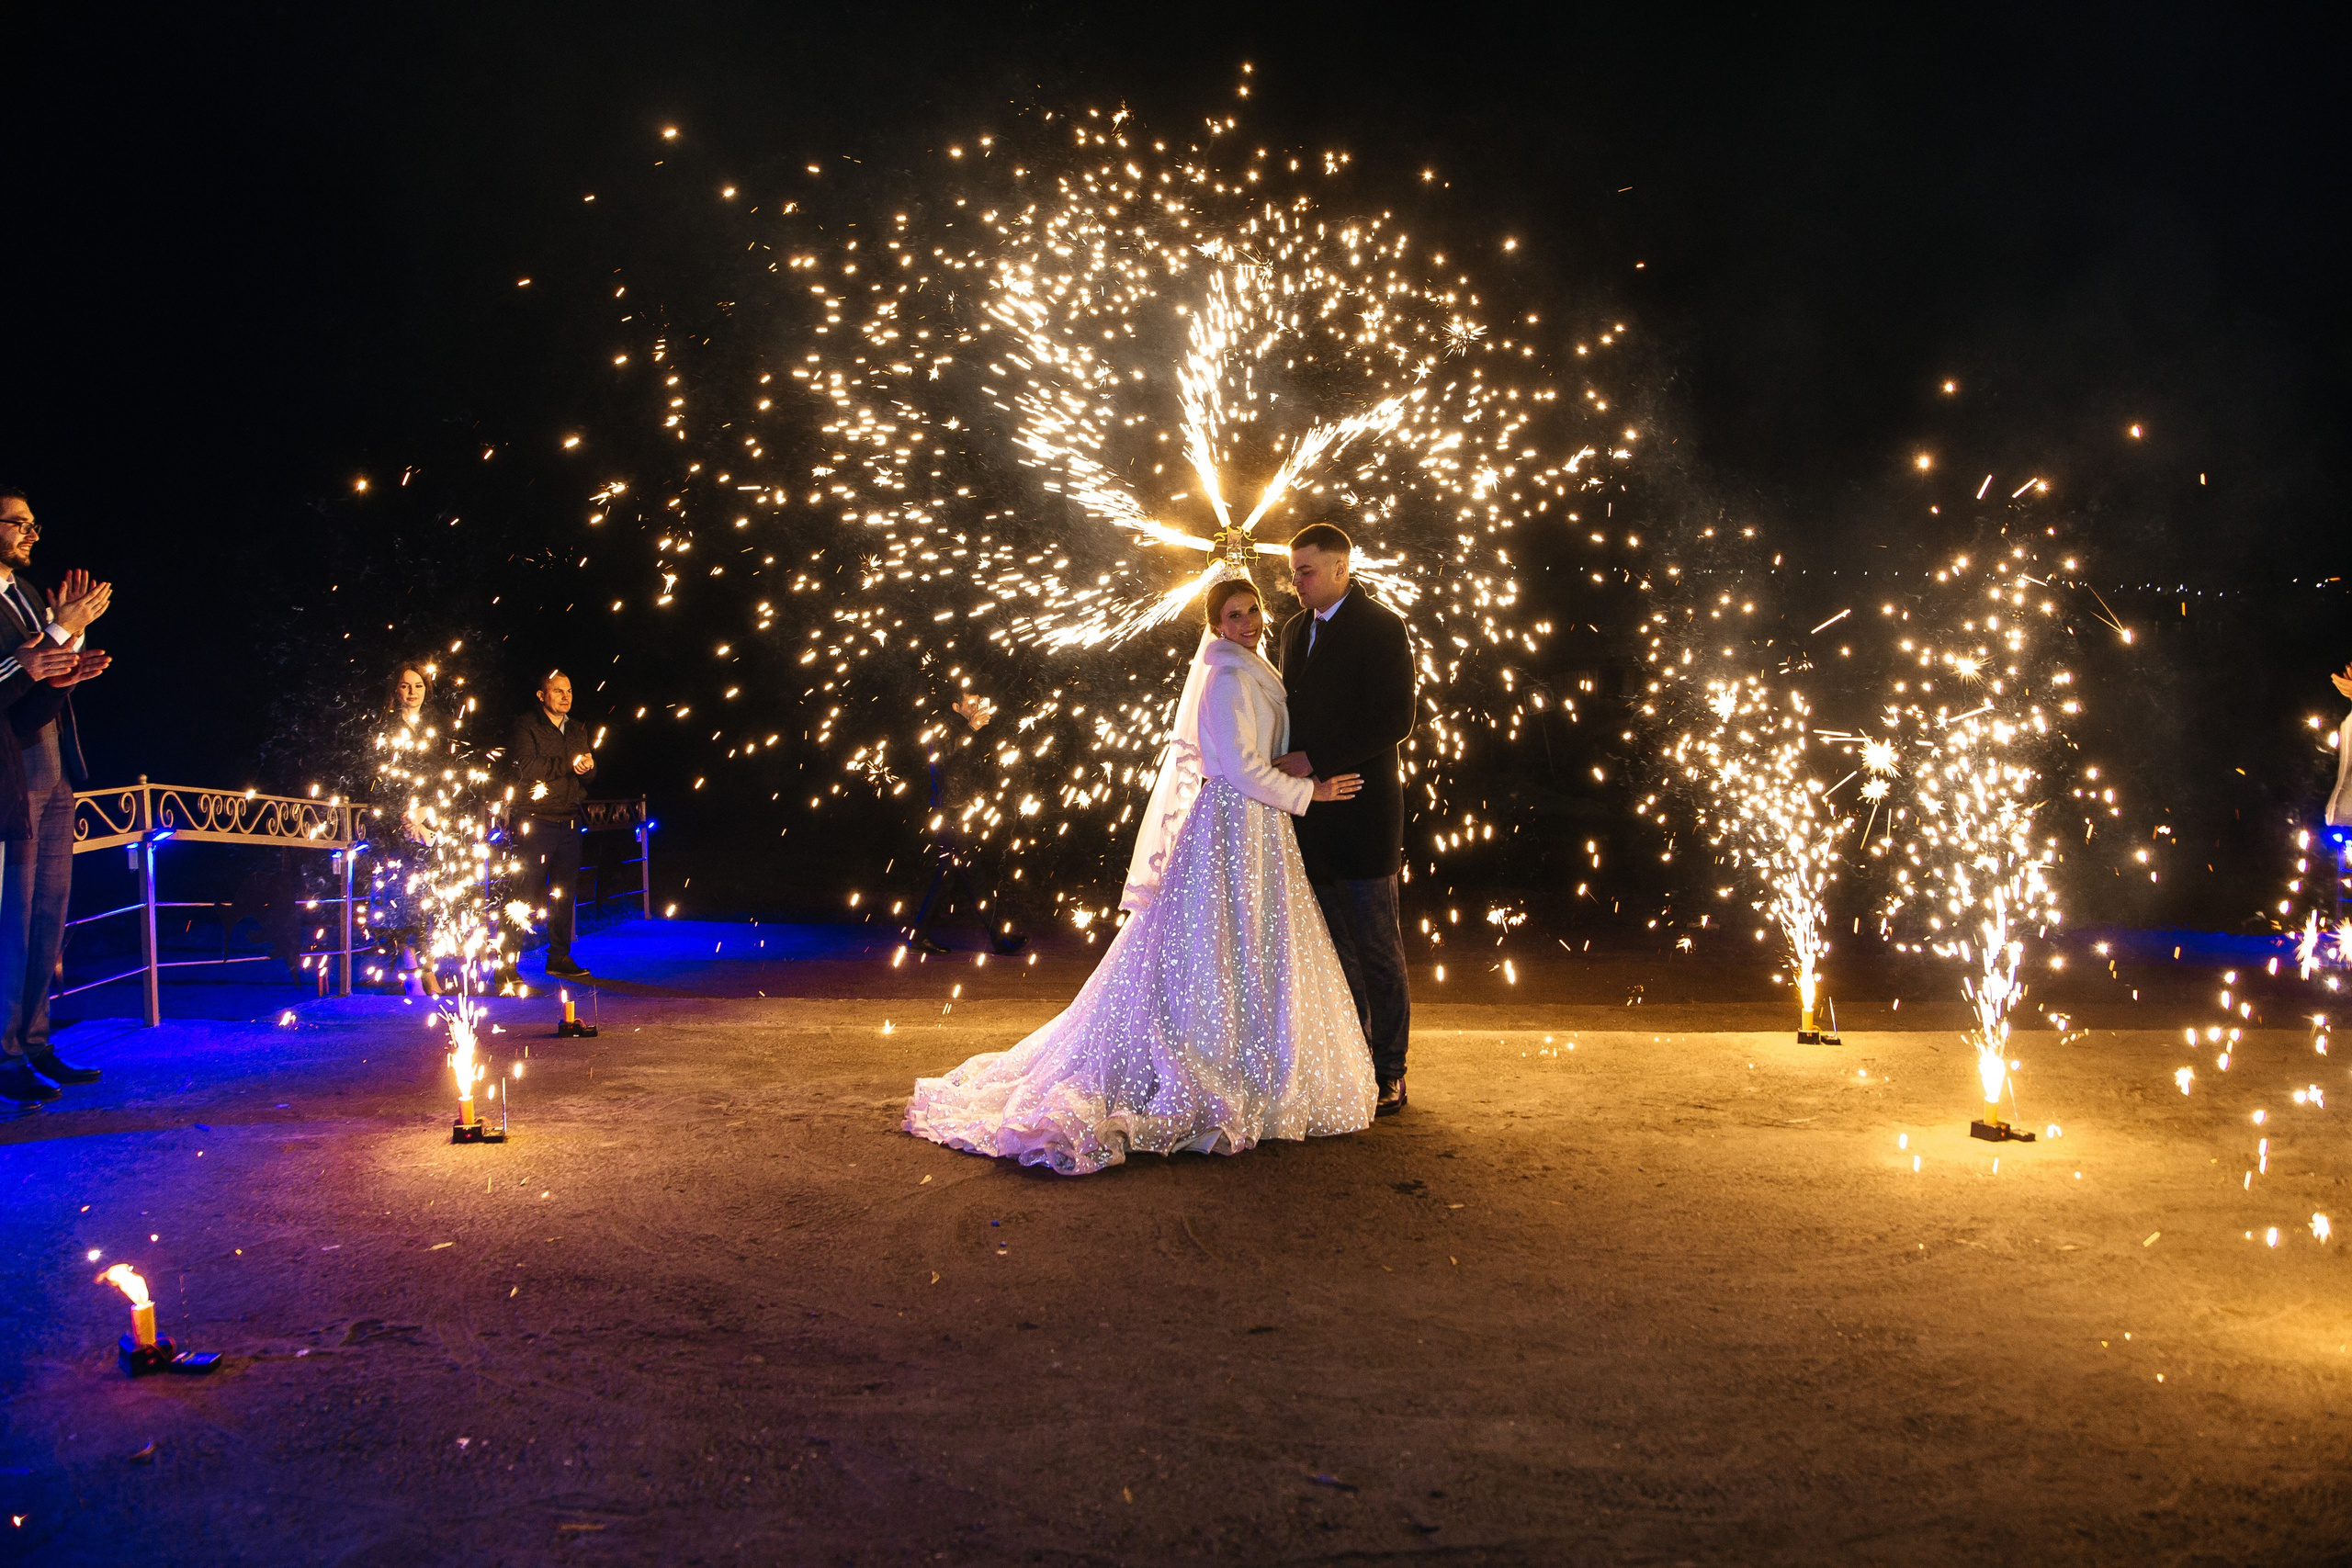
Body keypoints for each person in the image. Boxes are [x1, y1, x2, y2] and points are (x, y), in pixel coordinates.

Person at [905, 575, 1375, 1174]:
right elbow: (1240, 769)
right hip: (1236, 825)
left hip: (1261, 830)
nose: (1249, 622)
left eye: (1254, 610)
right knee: (1222, 948)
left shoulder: (1254, 669)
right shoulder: (1229, 677)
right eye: (1234, 615)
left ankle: (1254, 1058)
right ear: (1217, 624)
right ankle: (1226, 1063)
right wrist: (1314, 790)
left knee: (1248, 948)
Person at [1272, 522, 1418, 1115]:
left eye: (1305, 570)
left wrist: (1313, 759)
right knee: (1334, 949)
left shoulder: (1382, 628)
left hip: (1364, 814)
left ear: (1340, 568)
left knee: (1378, 944)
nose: (1295, 581)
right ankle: (1353, 1060)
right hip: (1313, 817)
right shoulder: (1290, 630)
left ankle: (1391, 1071)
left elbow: (1396, 719)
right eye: (1293, 570)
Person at [0, 485, 114, 1106]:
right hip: (12, 778)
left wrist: (69, 654)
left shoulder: (19, 595)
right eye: (17, 523)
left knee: (48, 914)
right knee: (12, 922)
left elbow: (34, 688)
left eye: (32, 524)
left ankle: (35, 1040)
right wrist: (57, 631)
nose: (31, 534)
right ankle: (6, 1051)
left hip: (53, 770)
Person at [905, 689, 1025, 957]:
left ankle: (919, 935)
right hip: (949, 812)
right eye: (970, 703)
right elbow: (941, 758)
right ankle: (999, 939)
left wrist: (979, 796)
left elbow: (967, 769)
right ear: (956, 706)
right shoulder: (943, 727)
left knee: (947, 877)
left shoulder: (965, 729)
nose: (975, 706)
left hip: (959, 810)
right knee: (975, 874)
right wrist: (970, 730)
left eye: (977, 701)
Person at [507, 670, 594, 980]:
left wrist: (586, 769)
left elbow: (588, 774)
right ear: (542, 695)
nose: (565, 696)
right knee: (524, 892)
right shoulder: (526, 726)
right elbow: (526, 767)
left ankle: (559, 956)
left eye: (569, 691)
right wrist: (569, 764)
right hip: (537, 819)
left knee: (563, 893)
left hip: (569, 820)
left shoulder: (577, 729)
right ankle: (506, 965)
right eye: (558, 691)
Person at [368, 663, 444, 995]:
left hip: (428, 821)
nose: (412, 692)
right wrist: (406, 817)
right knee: (404, 897)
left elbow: (442, 775)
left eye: (419, 686)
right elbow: (380, 777)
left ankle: (425, 968)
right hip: (397, 824)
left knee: (427, 899)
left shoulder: (435, 730)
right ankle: (413, 968)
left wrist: (426, 812)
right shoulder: (385, 729)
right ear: (395, 690)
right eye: (405, 686)